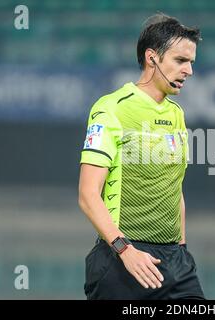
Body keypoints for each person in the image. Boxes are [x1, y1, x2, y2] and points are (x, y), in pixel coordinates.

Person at [78, 13, 205, 299]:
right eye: (181, 61)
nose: (189, 71)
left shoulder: (177, 114)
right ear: (152, 58)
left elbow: (175, 187)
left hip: (175, 263)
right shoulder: (111, 108)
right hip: (122, 260)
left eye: (191, 63)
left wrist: (182, 249)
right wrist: (126, 251)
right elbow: (88, 194)